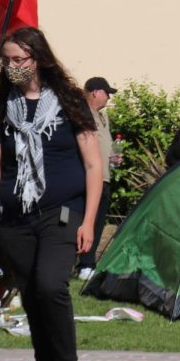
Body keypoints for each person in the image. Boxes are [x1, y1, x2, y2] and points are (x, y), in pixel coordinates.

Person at [0, 27, 103, 361]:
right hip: (14, 220)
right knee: (32, 295)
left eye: (18, 59)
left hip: (61, 212)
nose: (11, 65)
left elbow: (93, 165)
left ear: (39, 59)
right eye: (5, 60)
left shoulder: (69, 100)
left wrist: (89, 221)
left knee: (50, 285)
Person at [77, 76, 119, 280]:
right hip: (88, 178)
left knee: (98, 222)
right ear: (94, 92)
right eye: (106, 92)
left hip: (105, 177)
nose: (109, 97)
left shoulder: (104, 117)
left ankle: (88, 262)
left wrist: (113, 158)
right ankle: (83, 264)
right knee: (85, 220)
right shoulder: (82, 113)